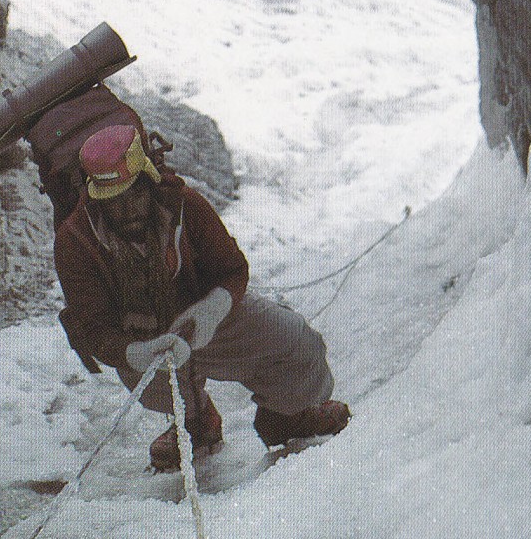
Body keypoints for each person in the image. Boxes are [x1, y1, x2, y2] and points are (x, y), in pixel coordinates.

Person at [54, 124, 350, 471]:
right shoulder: (75, 241)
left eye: (133, 194)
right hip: (143, 339)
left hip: (210, 315)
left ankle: (286, 417)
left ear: (149, 181)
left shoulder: (185, 205)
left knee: (295, 343)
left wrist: (210, 311)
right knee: (157, 387)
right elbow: (94, 329)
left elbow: (232, 269)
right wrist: (134, 353)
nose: (127, 210)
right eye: (112, 202)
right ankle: (195, 425)